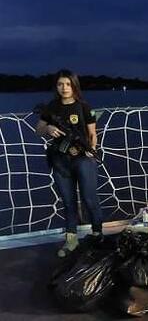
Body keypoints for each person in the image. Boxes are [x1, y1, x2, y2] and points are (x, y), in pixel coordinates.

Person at [35, 69, 103, 257]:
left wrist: (91, 151)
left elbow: (92, 134)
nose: (64, 88)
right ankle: (71, 239)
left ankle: (98, 234)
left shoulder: (84, 107)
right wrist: (48, 127)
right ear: (56, 86)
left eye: (68, 84)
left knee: (90, 199)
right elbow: (38, 129)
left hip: (83, 159)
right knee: (68, 202)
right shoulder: (52, 107)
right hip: (60, 161)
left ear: (74, 85)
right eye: (60, 84)